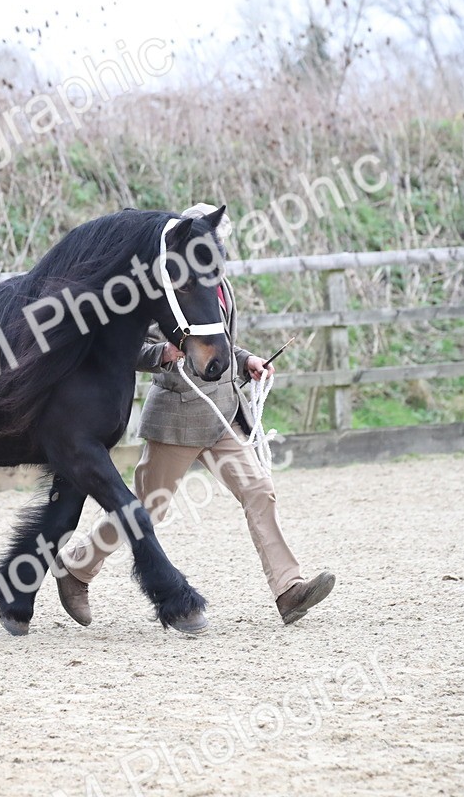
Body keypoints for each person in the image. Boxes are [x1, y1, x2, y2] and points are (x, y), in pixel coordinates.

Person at [53, 204, 335, 633]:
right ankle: (76, 568)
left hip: (222, 413)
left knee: (259, 490)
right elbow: (124, 348)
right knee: (148, 508)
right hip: (178, 418)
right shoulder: (160, 287)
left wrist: (246, 362)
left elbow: (217, 344)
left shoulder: (215, 285)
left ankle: (288, 589)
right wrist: (161, 354)